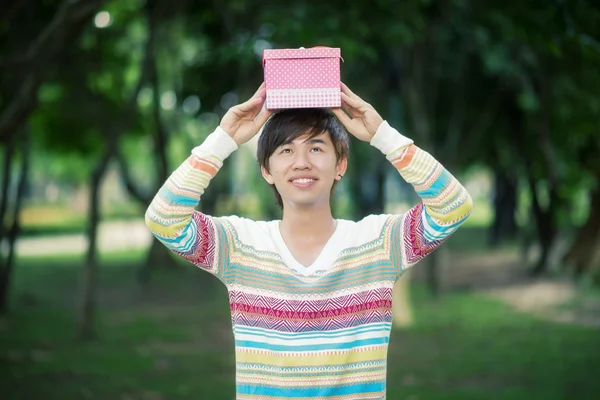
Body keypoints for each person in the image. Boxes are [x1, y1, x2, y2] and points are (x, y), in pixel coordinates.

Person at [145, 82, 473, 399]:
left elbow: (452, 206)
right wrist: (223, 141)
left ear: (340, 164)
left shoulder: (377, 244)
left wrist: (382, 136)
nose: (302, 162)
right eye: (286, 150)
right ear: (267, 170)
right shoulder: (241, 246)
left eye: (316, 148)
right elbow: (164, 219)